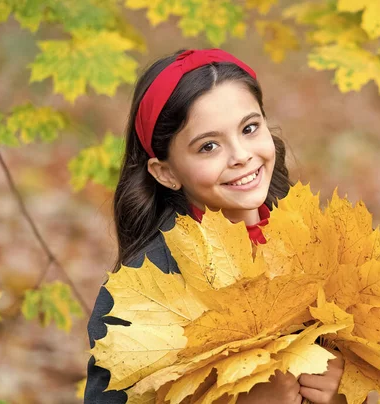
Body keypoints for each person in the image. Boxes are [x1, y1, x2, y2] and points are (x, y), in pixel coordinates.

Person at [85, 48, 348, 404]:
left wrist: (341, 396)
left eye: (249, 128)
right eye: (208, 146)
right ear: (166, 172)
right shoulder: (144, 289)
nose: (240, 155)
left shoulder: (317, 247)